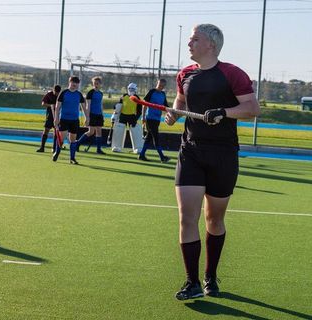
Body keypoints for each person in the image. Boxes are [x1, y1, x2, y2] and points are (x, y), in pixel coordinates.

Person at [164, 24, 260, 300]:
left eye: (195, 39)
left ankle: (210, 276)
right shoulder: (185, 74)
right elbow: (180, 103)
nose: (189, 43)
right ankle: (191, 282)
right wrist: (174, 114)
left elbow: (252, 108)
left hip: (223, 154)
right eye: (190, 39)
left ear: (211, 45)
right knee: (187, 217)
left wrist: (224, 112)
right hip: (191, 151)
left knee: (214, 219)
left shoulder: (232, 73)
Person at [52, 76, 88, 165]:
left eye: (76, 84)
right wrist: (56, 118)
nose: (74, 85)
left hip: (74, 121)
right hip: (64, 119)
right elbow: (57, 106)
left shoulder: (79, 94)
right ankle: (57, 152)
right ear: (69, 82)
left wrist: (87, 118)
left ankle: (72, 158)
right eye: (73, 83)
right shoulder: (63, 93)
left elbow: (84, 107)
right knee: (61, 139)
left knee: (73, 140)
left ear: (78, 85)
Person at [138, 78, 170, 163]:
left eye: (163, 86)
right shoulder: (151, 92)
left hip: (157, 119)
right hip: (150, 118)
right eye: (160, 85)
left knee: (148, 137)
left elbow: (166, 107)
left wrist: (171, 112)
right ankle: (162, 157)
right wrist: (143, 117)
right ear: (157, 83)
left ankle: (141, 155)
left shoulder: (163, 94)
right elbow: (144, 105)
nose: (161, 87)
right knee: (156, 137)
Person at [75, 76, 106, 154]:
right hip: (92, 115)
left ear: (100, 84)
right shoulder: (90, 93)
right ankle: (77, 143)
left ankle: (98, 150)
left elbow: (101, 104)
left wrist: (102, 114)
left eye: (97, 83)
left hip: (99, 115)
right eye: (94, 83)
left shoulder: (101, 93)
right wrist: (87, 117)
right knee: (91, 132)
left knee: (99, 132)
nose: (96, 85)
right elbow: (87, 106)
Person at [110, 83, 143, 153]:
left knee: (135, 131)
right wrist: (115, 113)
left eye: (132, 89)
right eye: (129, 89)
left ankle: (137, 148)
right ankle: (117, 147)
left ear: (135, 90)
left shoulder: (137, 98)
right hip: (123, 116)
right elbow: (118, 106)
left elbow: (139, 111)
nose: (131, 90)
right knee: (119, 130)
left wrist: (136, 118)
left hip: (132, 117)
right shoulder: (123, 96)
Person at [36, 85, 61, 153]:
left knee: (56, 131)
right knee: (46, 130)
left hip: (58, 116)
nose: (56, 94)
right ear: (53, 90)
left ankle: (54, 148)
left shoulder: (61, 96)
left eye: (58, 92)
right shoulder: (49, 95)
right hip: (49, 115)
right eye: (55, 92)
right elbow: (43, 103)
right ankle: (42, 147)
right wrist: (50, 105)